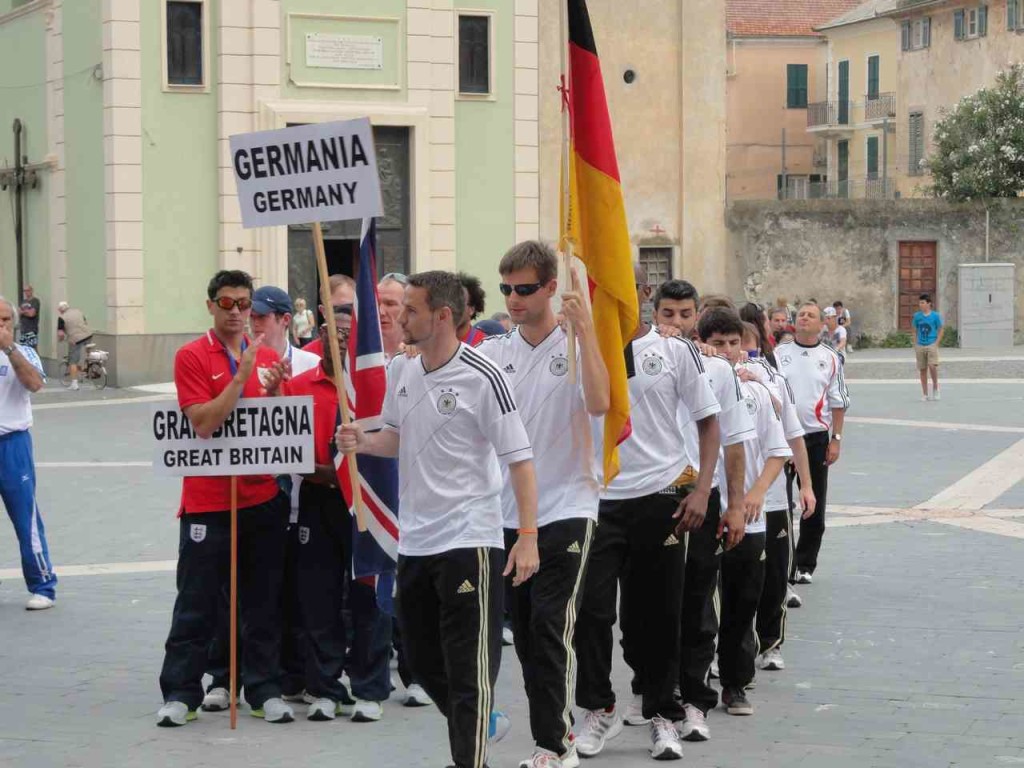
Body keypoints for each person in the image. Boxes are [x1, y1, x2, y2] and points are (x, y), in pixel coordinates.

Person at [337, 270, 540, 768]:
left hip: (469, 538)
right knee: (424, 664)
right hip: (417, 540)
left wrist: (528, 536)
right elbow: (395, 435)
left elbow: (520, 459)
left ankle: (469, 756)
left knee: (469, 669)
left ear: (443, 315)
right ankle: (479, 722)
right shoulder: (402, 371)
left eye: (410, 309)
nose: (398, 317)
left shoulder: (483, 375)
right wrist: (361, 441)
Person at [573, 267, 724, 762]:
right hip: (596, 500)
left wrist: (702, 489)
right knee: (591, 611)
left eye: (620, 291)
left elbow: (708, 422)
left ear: (641, 293)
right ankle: (598, 707)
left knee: (656, 617)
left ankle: (663, 714)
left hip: (660, 497)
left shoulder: (674, 351)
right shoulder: (578, 353)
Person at [476, 241, 609, 768]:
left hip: (569, 504)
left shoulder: (575, 346)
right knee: (528, 637)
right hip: (510, 514)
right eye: (507, 289)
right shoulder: (492, 353)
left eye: (525, 289)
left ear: (551, 288)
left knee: (551, 624)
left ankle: (556, 744)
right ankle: (553, 732)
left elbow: (600, 402)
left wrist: (589, 331)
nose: (513, 299)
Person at [156, 270, 293, 728]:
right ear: (211, 305)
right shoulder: (192, 356)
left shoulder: (268, 354)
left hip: (261, 498)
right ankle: (180, 692)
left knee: (261, 601)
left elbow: (280, 429)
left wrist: (273, 390)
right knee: (197, 602)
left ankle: (263, 689)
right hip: (208, 502)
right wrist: (242, 378)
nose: (237, 313)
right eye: (228, 303)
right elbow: (204, 423)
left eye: (245, 306)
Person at [200, 285, 321, 711]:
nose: (253, 322)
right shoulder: (238, 355)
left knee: (271, 595)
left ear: (285, 320)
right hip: (240, 492)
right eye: (250, 314)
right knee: (224, 593)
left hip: (289, 493)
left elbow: (303, 427)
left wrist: (277, 392)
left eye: (261, 316)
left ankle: (274, 679)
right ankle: (221, 677)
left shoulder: (311, 362)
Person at [273, 318, 393, 723]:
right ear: (318, 337)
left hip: (363, 502)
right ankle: (325, 686)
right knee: (318, 597)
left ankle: (369, 689)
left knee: (367, 598)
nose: (338, 340)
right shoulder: (299, 387)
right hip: (318, 501)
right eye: (330, 332)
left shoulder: (374, 393)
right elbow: (282, 444)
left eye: (347, 334)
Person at [649, 281, 753, 744]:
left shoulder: (717, 371)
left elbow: (732, 443)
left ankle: (694, 698)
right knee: (649, 604)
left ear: (697, 319)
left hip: (699, 494)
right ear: (655, 315)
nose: (676, 323)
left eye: (685, 314)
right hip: (650, 495)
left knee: (696, 599)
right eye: (667, 314)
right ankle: (652, 691)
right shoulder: (637, 359)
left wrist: (732, 505)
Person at [699, 312, 791, 717]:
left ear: (743, 346)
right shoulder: (693, 389)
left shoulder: (754, 394)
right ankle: (693, 684)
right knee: (700, 606)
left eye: (731, 343)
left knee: (742, 603)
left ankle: (735, 684)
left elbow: (777, 451)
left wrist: (755, 492)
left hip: (747, 518)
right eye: (716, 343)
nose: (724, 351)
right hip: (702, 513)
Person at [735, 328, 815, 672]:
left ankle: (771, 643)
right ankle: (734, 649)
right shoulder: (711, 377)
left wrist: (806, 486)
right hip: (732, 502)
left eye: (743, 343)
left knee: (774, 575)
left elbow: (794, 437)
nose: (737, 351)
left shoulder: (773, 382)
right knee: (737, 583)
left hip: (772, 500)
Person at [776, 302, 850, 586]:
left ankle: (805, 563)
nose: (804, 318)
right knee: (780, 503)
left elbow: (838, 401)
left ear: (822, 324)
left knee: (813, 504)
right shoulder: (779, 354)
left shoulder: (830, 357)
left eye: (811, 315)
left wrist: (836, 439)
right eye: (801, 315)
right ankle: (784, 562)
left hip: (815, 438)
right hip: (782, 439)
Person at [0, 295, 55, 611]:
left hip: (12, 444)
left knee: (25, 518)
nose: (1, 325)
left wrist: (9, 349)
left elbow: (35, 384)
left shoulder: (25, 353)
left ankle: (43, 585)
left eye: (6, 320)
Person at [302, 274, 357, 358]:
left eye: (350, 306)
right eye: (337, 308)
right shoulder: (307, 356)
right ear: (323, 311)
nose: (344, 314)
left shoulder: (370, 350)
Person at [56, 301, 93, 391]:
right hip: (88, 335)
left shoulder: (61, 317)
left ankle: (74, 384)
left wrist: (60, 339)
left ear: (60, 310)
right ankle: (88, 368)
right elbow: (85, 322)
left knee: (73, 361)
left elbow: (60, 334)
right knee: (87, 353)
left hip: (76, 339)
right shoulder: (78, 311)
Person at [912, 294, 943, 402]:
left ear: (929, 303)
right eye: (920, 303)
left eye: (923, 302)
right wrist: (915, 344)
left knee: (932, 366)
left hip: (931, 343)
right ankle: (925, 394)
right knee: (922, 369)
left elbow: (941, 329)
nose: (920, 305)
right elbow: (914, 330)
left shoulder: (935, 316)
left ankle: (935, 387)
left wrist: (936, 343)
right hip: (920, 344)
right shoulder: (917, 316)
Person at [378, 272, 407, 359]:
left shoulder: (421, 357)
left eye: (390, 304)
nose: (380, 312)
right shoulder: (359, 356)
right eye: (376, 303)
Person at [457, 272, 488, 346]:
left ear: (471, 310)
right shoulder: (435, 342)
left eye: (459, 303)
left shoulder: (484, 344)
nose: (452, 308)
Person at [18, 285, 40, 350]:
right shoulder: (23, 301)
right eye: (25, 291)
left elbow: (31, 314)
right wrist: (27, 311)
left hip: (32, 329)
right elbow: (18, 312)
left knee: (32, 349)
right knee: (24, 349)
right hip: (23, 329)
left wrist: (23, 312)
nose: (26, 292)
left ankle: (35, 360)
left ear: (31, 291)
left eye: (28, 290)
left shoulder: (35, 301)